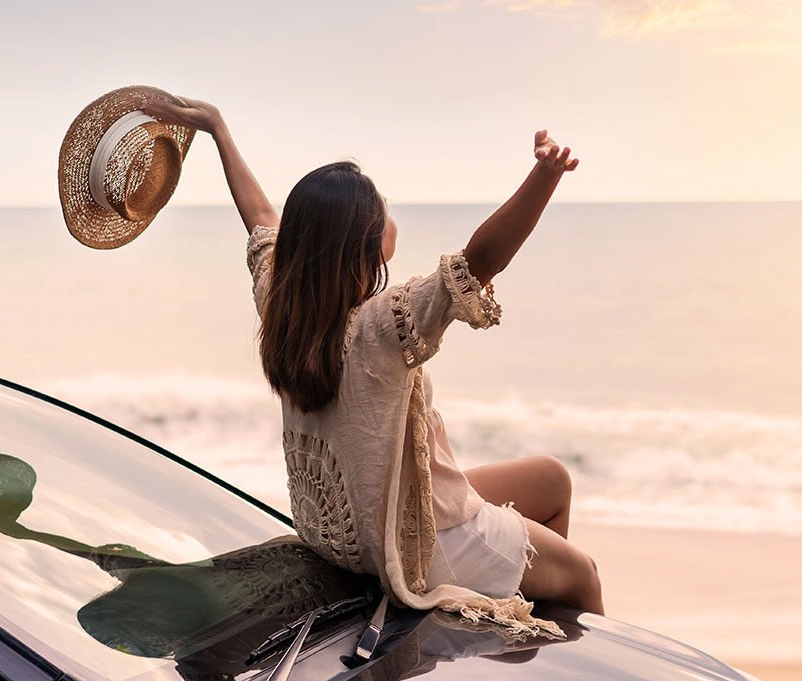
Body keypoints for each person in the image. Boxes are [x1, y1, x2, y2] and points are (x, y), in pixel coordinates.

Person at [140, 95, 603, 635]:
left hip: (348, 528)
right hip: (410, 550)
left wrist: (218, 128)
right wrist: (544, 176)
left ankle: (518, 628)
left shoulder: (283, 305)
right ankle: (574, 671)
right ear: (364, 243)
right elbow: (480, 259)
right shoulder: (382, 327)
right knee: (584, 574)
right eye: (381, 206)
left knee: (551, 479)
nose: (390, 211)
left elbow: (261, 221)